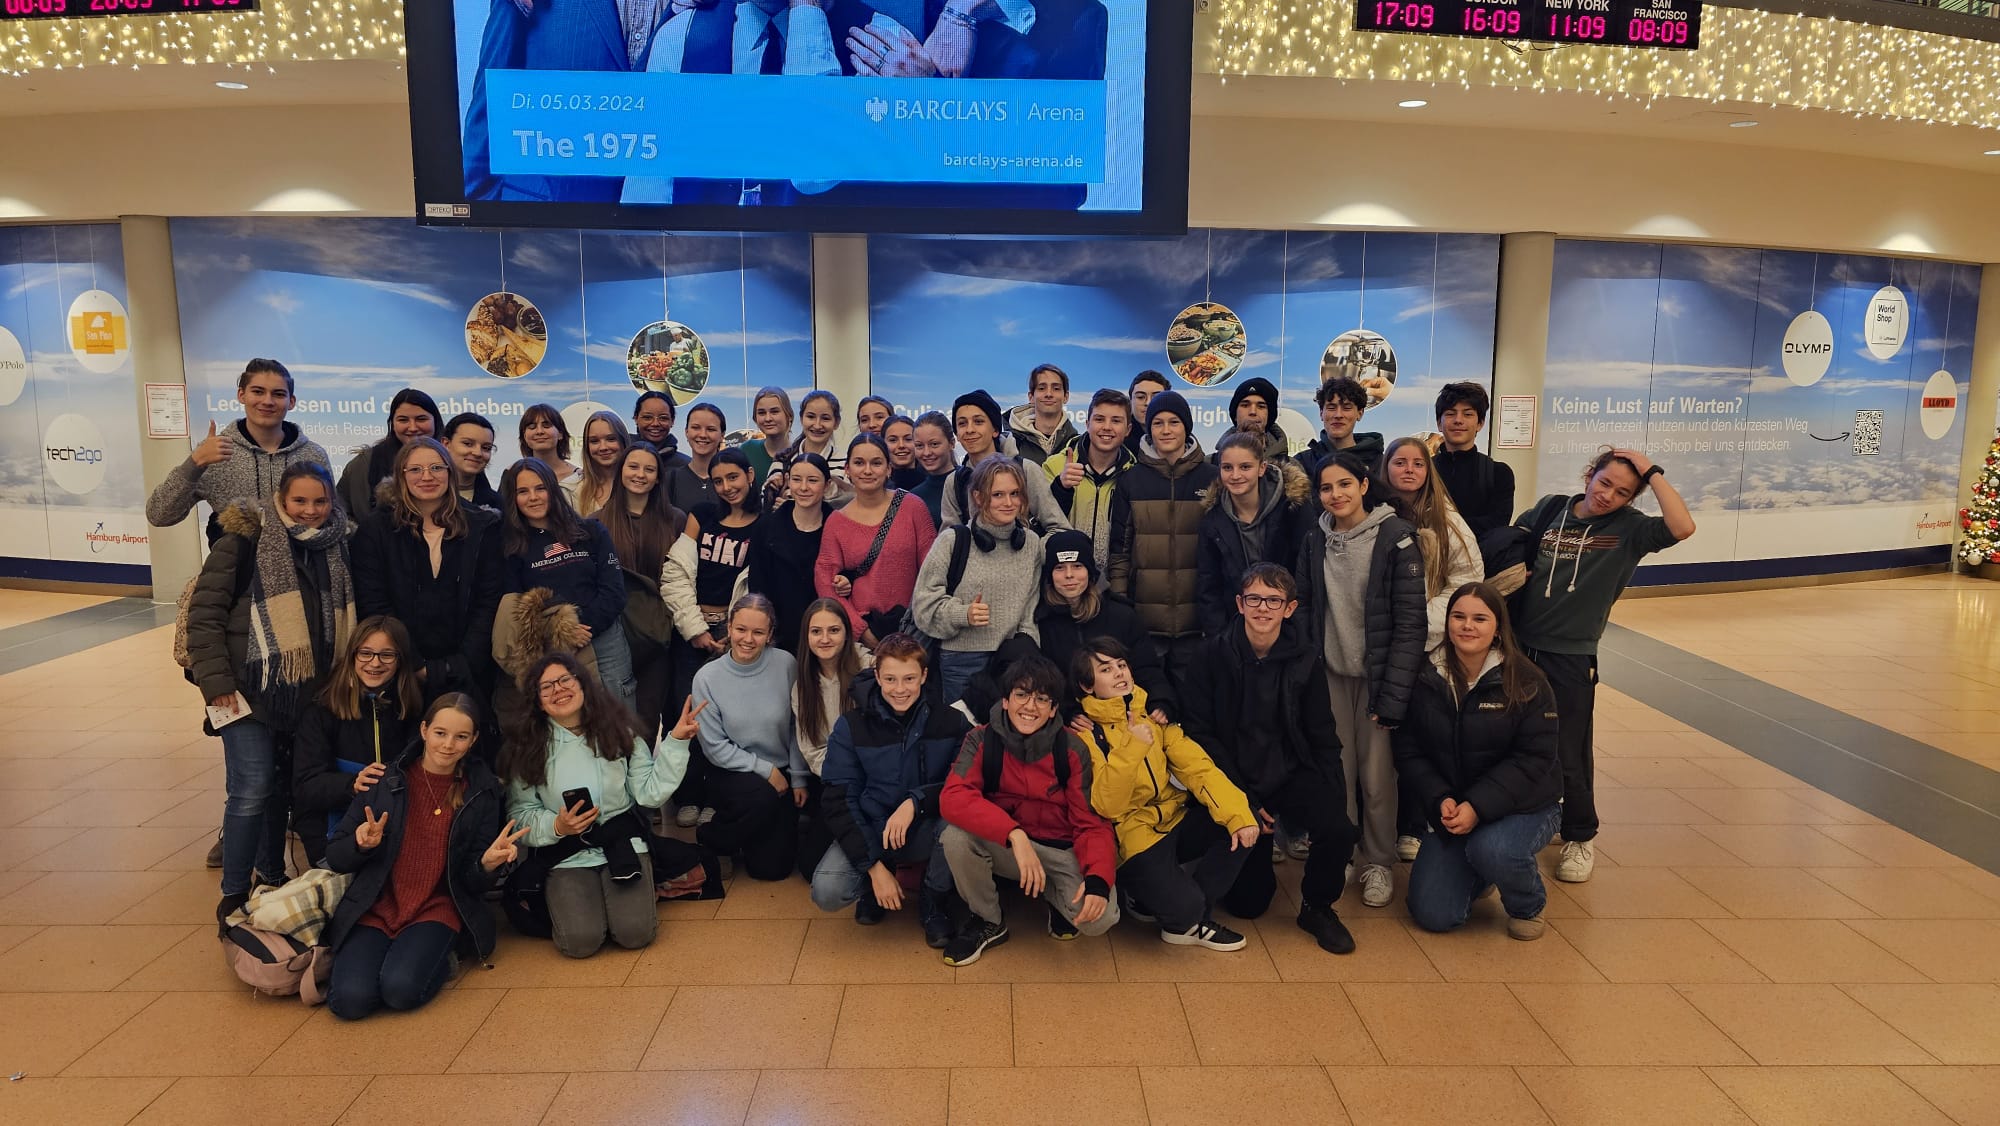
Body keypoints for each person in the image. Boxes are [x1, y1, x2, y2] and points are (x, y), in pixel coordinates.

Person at [1514, 447, 1696, 883]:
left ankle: (1580, 834)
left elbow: (1682, 527)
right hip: (1518, 647)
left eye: (1622, 492)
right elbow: (1511, 550)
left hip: (1571, 655)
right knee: (1516, 740)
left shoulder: (1630, 529)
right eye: (1605, 483)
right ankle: (1526, 819)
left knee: (1570, 749)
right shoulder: (1551, 509)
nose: (1608, 496)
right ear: (1589, 475)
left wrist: (1652, 473)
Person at [187, 460, 356, 923]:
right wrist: (216, 684)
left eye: (320, 501)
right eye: (299, 500)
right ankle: (233, 891)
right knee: (252, 787)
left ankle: (272, 874)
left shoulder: (338, 543)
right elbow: (204, 615)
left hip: (306, 695)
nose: (310, 510)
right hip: (243, 691)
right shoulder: (244, 539)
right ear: (281, 498)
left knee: (280, 788)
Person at [1182, 564, 1358, 955]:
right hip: (1234, 778)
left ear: (1290, 608)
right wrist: (1245, 800)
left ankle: (1317, 908)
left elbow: (1322, 734)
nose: (1263, 608)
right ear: (1239, 604)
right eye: (1255, 599)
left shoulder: (1305, 658)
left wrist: (1334, 802)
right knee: (1249, 905)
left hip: (1289, 772)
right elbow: (1200, 735)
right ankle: (1245, 855)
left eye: (1274, 601)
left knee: (1339, 828)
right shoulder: (1209, 655)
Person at [323, 694, 518, 1019]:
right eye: (440, 733)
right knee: (349, 1001)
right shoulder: (386, 780)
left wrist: (486, 865)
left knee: (400, 991)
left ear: (473, 740)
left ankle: (443, 956)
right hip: (377, 905)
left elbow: (471, 883)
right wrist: (361, 844)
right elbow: (336, 857)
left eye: (461, 736)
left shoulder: (482, 792)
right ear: (424, 730)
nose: (448, 745)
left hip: (437, 907)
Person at [1297, 451, 1426, 909]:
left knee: (1376, 779)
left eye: (1345, 485)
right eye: (1326, 488)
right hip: (1330, 674)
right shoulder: (1315, 538)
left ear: (1364, 485)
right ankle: (1343, 853)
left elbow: (1410, 623)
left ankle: (1378, 861)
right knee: (1338, 773)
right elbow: (1305, 604)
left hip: (1377, 678)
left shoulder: (1395, 538)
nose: (1336, 495)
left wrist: (1393, 695)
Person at [1397, 583, 1562, 940]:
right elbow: (1409, 751)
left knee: (1493, 848)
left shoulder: (1527, 680)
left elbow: (1535, 758)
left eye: (1480, 619)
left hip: (1525, 807)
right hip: (1455, 810)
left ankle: (1526, 904)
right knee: (1433, 914)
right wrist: (1440, 797)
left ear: (1498, 627)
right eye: (1458, 616)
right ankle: (1484, 871)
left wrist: (1478, 806)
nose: (1467, 626)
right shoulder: (1425, 677)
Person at [1072, 637, 1259, 950]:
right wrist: (1133, 746)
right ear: (1087, 686)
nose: (1119, 673)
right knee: (1183, 907)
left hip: (1172, 816)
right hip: (1132, 836)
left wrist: (1237, 816)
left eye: (1121, 665)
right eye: (1105, 669)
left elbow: (1199, 769)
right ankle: (1176, 908)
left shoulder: (1153, 717)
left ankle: (1190, 914)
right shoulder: (1087, 734)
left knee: (1244, 821)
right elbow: (1107, 806)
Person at [502, 654, 693, 958]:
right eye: (546, 687)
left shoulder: (619, 732)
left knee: (635, 933)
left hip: (622, 843)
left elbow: (649, 793)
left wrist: (676, 742)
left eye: (565, 680)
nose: (558, 689)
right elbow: (520, 813)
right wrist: (556, 826)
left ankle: (632, 896)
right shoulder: (528, 748)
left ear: (583, 685)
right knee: (580, 942)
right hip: (565, 853)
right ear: (537, 701)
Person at [939, 654, 1118, 965]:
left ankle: (1055, 897)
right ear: (1005, 700)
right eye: (1021, 694)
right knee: (955, 838)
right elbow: (953, 796)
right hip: (1009, 847)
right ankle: (988, 920)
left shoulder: (1073, 748)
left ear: (1053, 709)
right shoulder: (980, 740)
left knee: (1099, 920)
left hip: (1061, 849)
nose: (1030, 706)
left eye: (1042, 699)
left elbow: (1091, 822)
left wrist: (1098, 881)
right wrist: (1014, 834)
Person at [814, 633, 967, 948]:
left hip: (926, 826)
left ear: (924, 675)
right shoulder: (851, 726)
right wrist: (873, 868)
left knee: (959, 827)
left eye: (909, 678)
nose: (900, 689)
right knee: (827, 891)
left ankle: (933, 899)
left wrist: (916, 802)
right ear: (877, 676)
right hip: (873, 828)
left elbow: (963, 784)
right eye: (890, 679)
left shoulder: (952, 721)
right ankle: (873, 888)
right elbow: (839, 799)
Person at [353, 438, 506, 707]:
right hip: (400, 672)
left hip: (470, 672)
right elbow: (374, 602)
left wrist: (459, 665)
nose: (427, 477)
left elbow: (488, 602)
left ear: (450, 472)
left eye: (436, 468)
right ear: (401, 475)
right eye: (415, 469)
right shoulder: (375, 529)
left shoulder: (483, 526)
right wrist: (414, 664)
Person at [661, 446, 762, 826]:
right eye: (718, 481)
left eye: (733, 477)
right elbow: (676, 573)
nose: (726, 487)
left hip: (737, 633)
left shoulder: (764, 523)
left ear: (749, 475)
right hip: (693, 628)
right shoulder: (701, 515)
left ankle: (718, 798)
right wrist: (696, 630)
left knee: (730, 718)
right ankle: (689, 794)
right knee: (686, 711)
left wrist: (737, 634)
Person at [499, 458, 635, 717]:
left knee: (619, 720)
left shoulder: (591, 531)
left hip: (605, 640)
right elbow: (516, 610)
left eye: (540, 488)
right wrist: (561, 631)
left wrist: (580, 626)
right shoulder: (511, 548)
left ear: (552, 489)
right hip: (552, 647)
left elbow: (614, 592)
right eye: (523, 491)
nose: (533, 497)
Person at [147, 358, 330, 546]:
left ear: (291, 402)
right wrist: (194, 464)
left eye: (278, 394)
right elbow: (159, 515)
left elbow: (330, 520)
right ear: (241, 395)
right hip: (234, 564)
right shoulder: (214, 452)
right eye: (258, 392)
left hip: (302, 563)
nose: (267, 401)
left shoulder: (313, 454)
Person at [691, 595, 808, 881]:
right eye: (741, 629)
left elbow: (796, 726)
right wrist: (766, 770)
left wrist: (798, 777)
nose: (748, 639)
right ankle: (714, 838)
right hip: (731, 771)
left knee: (772, 870)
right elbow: (714, 747)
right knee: (761, 798)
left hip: (781, 770)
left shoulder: (786, 664)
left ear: (769, 634)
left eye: (758, 632)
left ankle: (750, 834)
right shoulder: (706, 678)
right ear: (729, 627)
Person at [912, 457, 1045, 705]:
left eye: (1015, 493)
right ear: (979, 497)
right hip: (962, 661)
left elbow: (1030, 607)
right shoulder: (952, 541)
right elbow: (923, 606)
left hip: (1012, 659)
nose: (1008, 503)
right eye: (997, 495)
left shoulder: (1031, 544)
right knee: (964, 730)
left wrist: (1026, 646)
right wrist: (963, 614)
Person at [293, 615, 423, 866]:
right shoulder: (321, 709)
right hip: (333, 836)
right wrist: (352, 784)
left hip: (396, 833)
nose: (375, 663)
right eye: (365, 653)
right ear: (352, 655)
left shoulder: (416, 707)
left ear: (401, 660)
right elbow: (305, 785)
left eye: (387, 655)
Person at [1107, 390, 1216, 688]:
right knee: (1150, 703)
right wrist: (1121, 607)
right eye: (1158, 423)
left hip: (1197, 624)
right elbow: (1119, 551)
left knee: (1192, 704)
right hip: (1145, 624)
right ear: (1149, 429)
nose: (1166, 430)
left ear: (1187, 427)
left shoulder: (1212, 478)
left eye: (1174, 422)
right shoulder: (1131, 480)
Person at [595, 442, 688, 746]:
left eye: (649, 469)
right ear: (620, 470)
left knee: (648, 717)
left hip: (659, 635)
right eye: (633, 466)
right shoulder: (596, 522)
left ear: (659, 477)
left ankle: (644, 775)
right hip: (614, 634)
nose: (640, 475)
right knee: (614, 717)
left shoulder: (676, 520)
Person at [1035, 529, 1174, 721]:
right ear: (1049, 575)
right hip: (1075, 722)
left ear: (1090, 571)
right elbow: (1046, 680)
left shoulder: (1121, 615)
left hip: (1127, 715)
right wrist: (1068, 712)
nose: (1069, 575)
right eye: (1059, 567)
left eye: (1077, 566)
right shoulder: (1042, 622)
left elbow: (1147, 668)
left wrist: (1160, 702)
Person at [816, 434, 937, 648]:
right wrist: (861, 631)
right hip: (863, 635)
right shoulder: (836, 522)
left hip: (912, 629)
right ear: (847, 469)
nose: (867, 470)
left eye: (876, 463)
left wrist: (919, 621)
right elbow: (825, 582)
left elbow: (933, 569)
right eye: (859, 463)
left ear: (889, 469)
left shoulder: (913, 507)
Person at [1195, 431, 1313, 637]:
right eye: (1227, 468)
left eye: (1245, 467)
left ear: (1262, 468)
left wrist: (1297, 633)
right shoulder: (1212, 519)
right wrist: (1222, 638)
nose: (1235, 475)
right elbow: (1209, 586)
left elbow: (1306, 579)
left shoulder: (1293, 509)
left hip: (1288, 630)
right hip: (1234, 631)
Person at [1383, 437, 1485, 652]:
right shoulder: (1371, 518)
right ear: (1386, 467)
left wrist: (1420, 618)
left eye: (1418, 464)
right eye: (1400, 463)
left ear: (1428, 471)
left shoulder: (1447, 521)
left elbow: (1467, 579)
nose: (1409, 470)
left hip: (1428, 641)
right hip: (1378, 637)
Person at [793, 599, 871, 881]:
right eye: (816, 631)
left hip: (876, 779)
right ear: (806, 636)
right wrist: (844, 776)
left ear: (847, 633)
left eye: (834, 630)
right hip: (836, 782)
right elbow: (812, 750)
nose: (825, 639)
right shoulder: (803, 687)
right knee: (809, 867)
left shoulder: (870, 670)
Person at [940, 390, 1070, 531]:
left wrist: (1031, 544)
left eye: (978, 422)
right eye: (962, 423)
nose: (969, 429)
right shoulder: (955, 482)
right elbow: (948, 538)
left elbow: (1059, 528)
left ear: (995, 430)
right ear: (956, 434)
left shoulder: (1026, 470)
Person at [1043, 388, 1136, 574]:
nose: (1107, 427)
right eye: (1099, 419)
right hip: (1064, 580)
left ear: (1128, 430)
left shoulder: (1135, 475)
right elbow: (1040, 524)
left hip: (1113, 581)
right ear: (1087, 424)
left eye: (1116, 421)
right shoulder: (1054, 466)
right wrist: (1061, 488)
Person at [746, 451, 830, 650]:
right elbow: (758, 587)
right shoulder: (766, 528)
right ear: (787, 480)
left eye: (812, 480)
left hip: (825, 636)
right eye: (796, 479)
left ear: (827, 485)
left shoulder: (837, 528)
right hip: (779, 636)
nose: (803, 487)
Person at [1429, 382, 1515, 538]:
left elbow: (1498, 522)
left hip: (1481, 552)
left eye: (1468, 414)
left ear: (1480, 424)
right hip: (1427, 551)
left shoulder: (1498, 473)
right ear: (1439, 423)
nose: (1458, 420)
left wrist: (1442, 526)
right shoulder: (1424, 470)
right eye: (1450, 413)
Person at [337, 389, 441, 517]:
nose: (413, 427)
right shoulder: (364, 465)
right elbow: (339, 513)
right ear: (392, 423)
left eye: (421, 419)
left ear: (435, 421)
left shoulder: (454, 460)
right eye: (403, 420)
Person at [771, 390, 850, 507]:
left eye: (825, 418)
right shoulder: (782, 460)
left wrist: (793, 507)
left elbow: (850, 508)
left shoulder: (846, 464)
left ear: (836, 422)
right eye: (811, 417)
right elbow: (767, 506)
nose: (817, 425)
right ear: (801, 419)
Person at [1299, 377, 1383, 480]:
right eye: (1331, 408)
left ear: (1360, 413)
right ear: (1321, 413)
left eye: (1347, 408)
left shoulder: (1381, 464)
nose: (1338, 415)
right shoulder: (1301, 464)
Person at [1008, 363, 1077, 467]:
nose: (1049, 394)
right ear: (1031, 397)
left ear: (1066, 397)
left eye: (1056, 388)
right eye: (1041, 388)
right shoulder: (1010, 443)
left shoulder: (1077, 444)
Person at [1213, 376, 1290, 466]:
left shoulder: (1291, 467)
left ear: (1269, 416)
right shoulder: (1209, 465)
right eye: (1245, 405)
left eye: (1261, 406)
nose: (1253, 412)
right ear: (1235, 415)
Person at [666, 401, 724, 513]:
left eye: (711, 429)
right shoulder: (671, 480)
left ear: (722, 435)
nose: (703, 435)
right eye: (696, 428)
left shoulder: (733, 481)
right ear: (686, 432)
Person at [573, 411, 632, 521]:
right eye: (594, 441)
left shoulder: (639, 483)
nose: (603, 447)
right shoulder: (575, 490)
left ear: (623, 441)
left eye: (611, 439)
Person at [518, 404, 583, 503]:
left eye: (546, 425)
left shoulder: (580, 478)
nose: (539, 431)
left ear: (560, 433)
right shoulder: (513, 476)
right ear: (524, 436)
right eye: (532, 427)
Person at [443, 412, 502, 514]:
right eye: (468, 444)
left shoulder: (499, 504)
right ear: (446, 444)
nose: (478, 453)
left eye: (486, 448)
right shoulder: (425, 494)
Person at [743, 386, 797, 493]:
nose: (768, 418)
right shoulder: (747, 450)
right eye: (761, 413)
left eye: (774, 412)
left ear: (789, 416)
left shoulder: (801, 454)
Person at [908, 410, 958, 524]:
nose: (926, 453)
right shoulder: (913, 497)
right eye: (919, 446)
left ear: (952, 443)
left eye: (934, 444)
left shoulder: (970, 483)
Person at [633, 391, 693, 473]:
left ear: (672, 421)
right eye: (647, 417)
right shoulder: (621, 456)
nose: (655, 424)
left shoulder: (686, 467)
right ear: (636, 419)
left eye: (663, 418)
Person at [1124, 370, 1169, 457]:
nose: (1148, 403)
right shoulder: (1118, 440)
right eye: (1141, 397)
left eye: (1156, 397)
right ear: (1130, 401)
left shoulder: (1183, 439)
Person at [882, 414, 928, 490]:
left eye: (908, 439)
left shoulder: (933, 481)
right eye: (893, 440)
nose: (901, 445)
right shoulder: (876, 485)